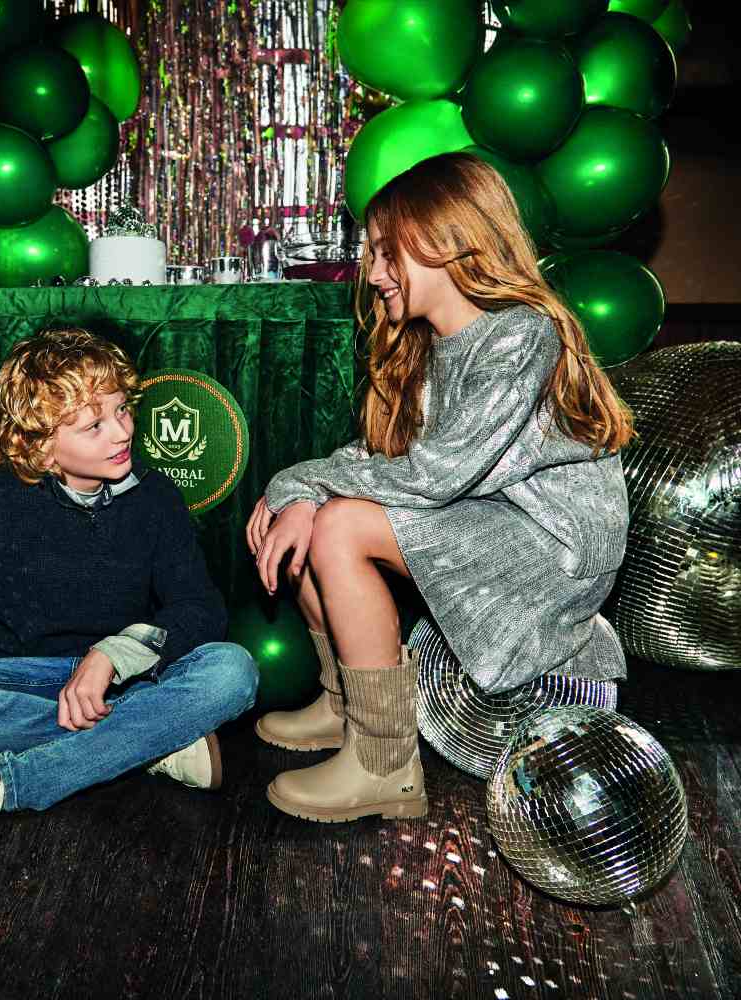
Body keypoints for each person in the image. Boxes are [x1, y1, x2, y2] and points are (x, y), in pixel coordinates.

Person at [246, 152, 633, 823]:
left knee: (339, 522)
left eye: (387, 253)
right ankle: (346, 705)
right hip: (489, 517)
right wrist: (300, 495)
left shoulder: (520, 336)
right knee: (316, 515)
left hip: (553, 547)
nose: (373, 274)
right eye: (372, 254)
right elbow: (384, 457)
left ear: (449, 243)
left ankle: (384, 764)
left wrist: (300, 483)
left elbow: (435, 474)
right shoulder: (433, 345)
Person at [0, 328, 258, 853]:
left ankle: (7, 786)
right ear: (40, 444)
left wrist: (113, 655)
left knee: (232, 670)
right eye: (93, 425)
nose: (121, 433)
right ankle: (149, 742)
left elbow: (199, 607)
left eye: (122, 410)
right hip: (24, 679)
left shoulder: (153, 495)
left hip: (125, 677)